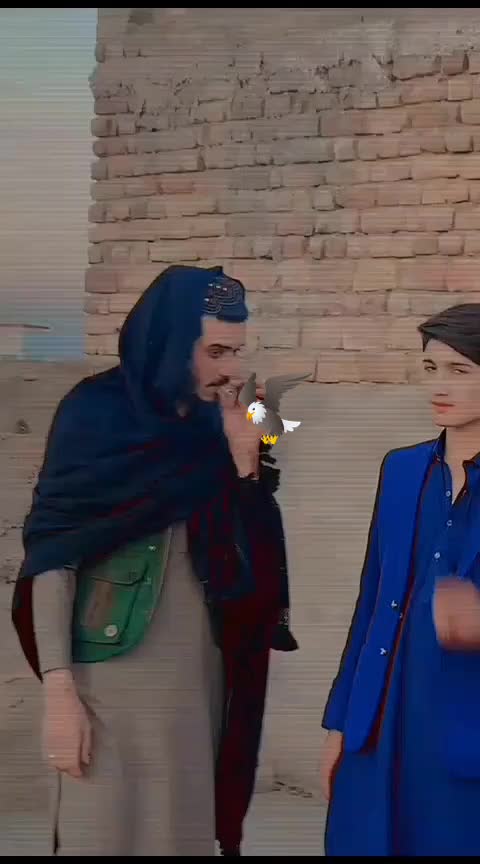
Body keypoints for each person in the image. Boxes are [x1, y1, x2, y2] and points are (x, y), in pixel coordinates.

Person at [11, 264, 298, 857]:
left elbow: (261, 560)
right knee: (99, 836)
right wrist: (59, 694)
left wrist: (246, 466)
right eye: (215, 351)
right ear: (168, 342)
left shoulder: (229, 420)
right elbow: (52, 555)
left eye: (237, 352)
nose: (231, 369)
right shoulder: (94, 412)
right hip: (105, 683)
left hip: (200, 684)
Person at [321, 303, 480, 856]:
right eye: (431, 368)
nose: (440, 385)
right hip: (382, 718)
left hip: (465, 728)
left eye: (460, 370)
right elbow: (371, 600)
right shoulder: (402, 469)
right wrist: (342, 723)